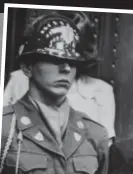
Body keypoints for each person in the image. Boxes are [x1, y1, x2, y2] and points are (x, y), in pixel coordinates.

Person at [0, 11, 109, 174]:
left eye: (73, 62)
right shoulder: (5, 128)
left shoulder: (94, 135)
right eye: (55, 59)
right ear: (27, 67)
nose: (67, 69)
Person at [3, 11, 116, 145]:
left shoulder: (101, 91)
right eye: (55, 57)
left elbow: (104, 149)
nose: (66, 67)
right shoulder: (19, 80)